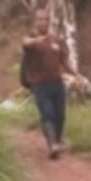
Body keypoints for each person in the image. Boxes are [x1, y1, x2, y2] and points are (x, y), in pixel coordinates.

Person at [19, 11, 69, 159]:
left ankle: (57, 142)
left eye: (46, 19)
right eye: (40, 20)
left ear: (49, 22)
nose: (43, 22)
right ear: (35, 22)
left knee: (60, 115)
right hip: (40, 85)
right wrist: (36, 41)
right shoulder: (31, 39)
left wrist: (76, 75)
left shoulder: (56, 40)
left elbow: (63, 62)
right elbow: (25, 43)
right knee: (48, 114)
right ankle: (52, 145)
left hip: (57, 83)